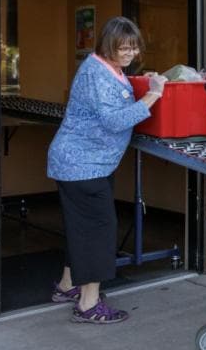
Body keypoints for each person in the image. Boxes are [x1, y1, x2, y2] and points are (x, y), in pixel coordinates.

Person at [48, 17, 166, 323]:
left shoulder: (108, 68)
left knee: (81, 229)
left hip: (84, 163)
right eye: (122, 47)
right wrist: (154, 94)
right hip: (82, 165)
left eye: (133, 47)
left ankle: (67, 286)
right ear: (107, 45)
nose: (129, 53)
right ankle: (88, 305)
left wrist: (143, 82)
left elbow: (118, 99)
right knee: (99, 232)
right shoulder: (96, 73)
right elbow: (114, 120)